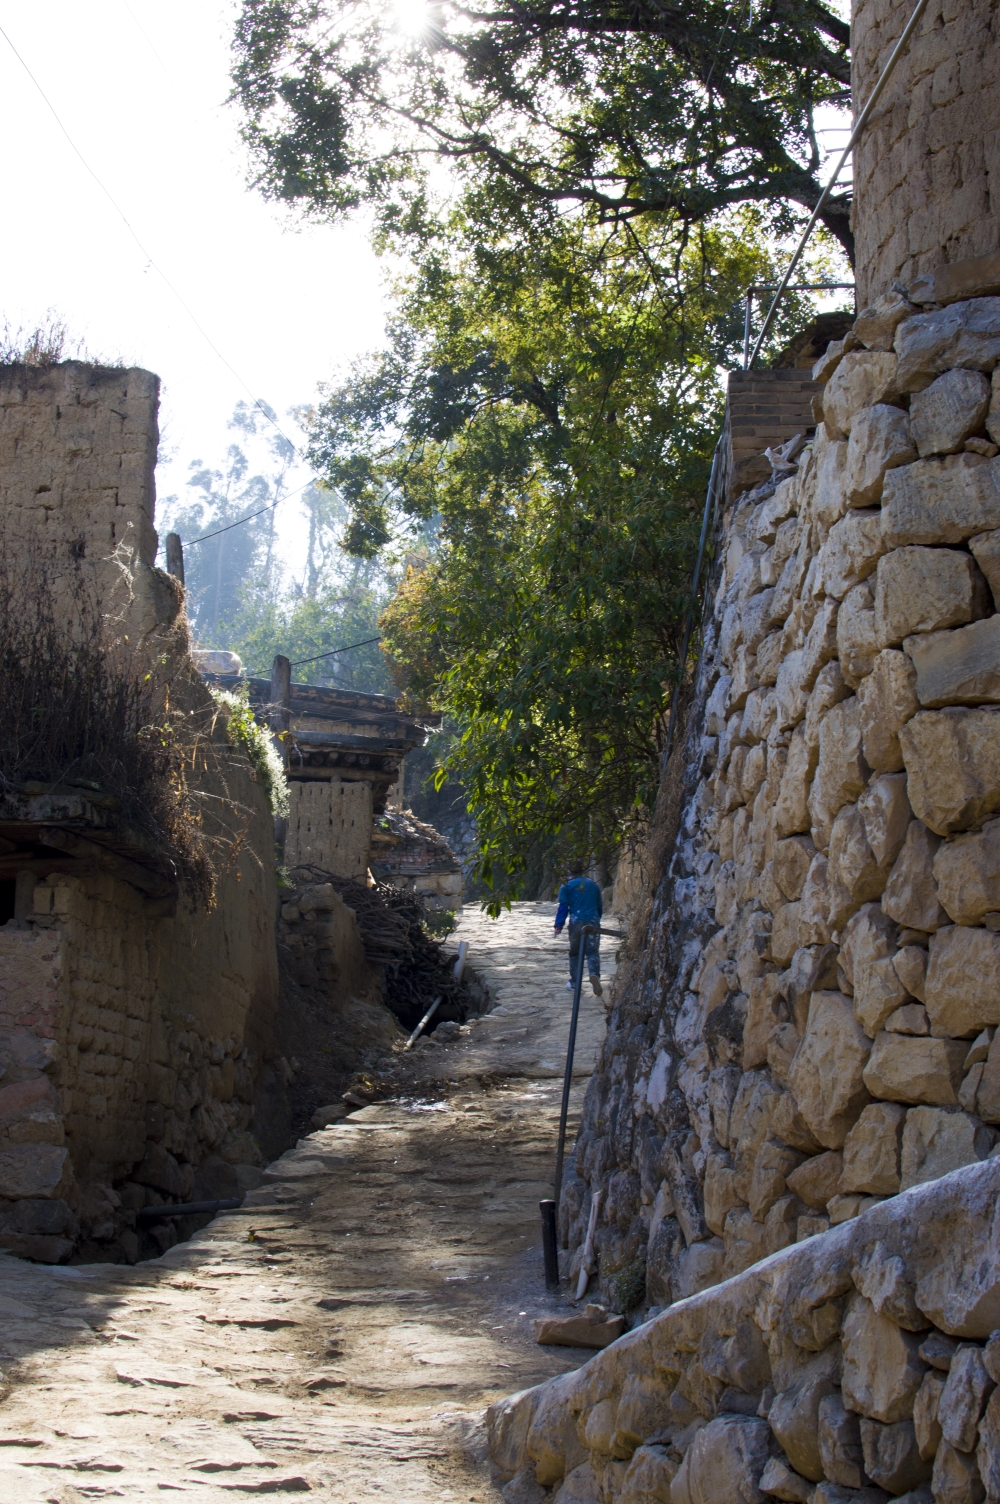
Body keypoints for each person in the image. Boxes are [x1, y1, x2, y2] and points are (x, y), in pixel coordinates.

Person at [554, 859, 603, 997]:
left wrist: (559, 925)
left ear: (569, 871)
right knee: (592, 952)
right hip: (592, 921)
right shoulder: (593, 885)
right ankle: (594, 975)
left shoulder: (566, 886)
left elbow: (563, 907)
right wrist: (597, 920)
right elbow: (599, 907)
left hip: (576, 922)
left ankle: (575, 982)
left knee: (575, 953)